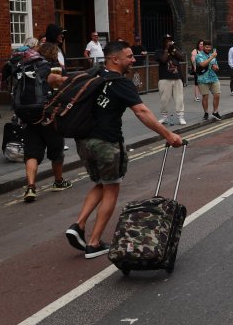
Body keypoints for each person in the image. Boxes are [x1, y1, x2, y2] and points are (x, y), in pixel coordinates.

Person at [63, 41, 183, 258]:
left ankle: (78, 226)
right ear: (114, 59)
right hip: (106, 143)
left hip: (83, 142)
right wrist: (169, 134)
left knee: (101, 183)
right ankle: (94, 242)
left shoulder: (96, 75)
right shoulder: (121, 83)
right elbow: (142, 112)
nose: (133, 59)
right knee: (112, 188)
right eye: (129, 56)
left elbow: (65, 82)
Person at [21, 42, 73, 202]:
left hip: (30, 116)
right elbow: (65, 89)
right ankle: (58, 181)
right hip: (50, 117)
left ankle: (30, 186)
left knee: (31, 153)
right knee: (56, 151)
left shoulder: (29, 68)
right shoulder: (55, 69)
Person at [156, 34, 187, 126]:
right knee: (164, 99)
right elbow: (163, 60)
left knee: (179, 99)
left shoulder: (174, 50)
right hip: (165, 78)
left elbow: (182, 57)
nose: (169, 42)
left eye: (170, 40)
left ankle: (181, 117)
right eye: (167, 41)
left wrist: (173, 49)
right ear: (163, 42)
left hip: (177, 78)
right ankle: (164, 117)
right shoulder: (159, 51)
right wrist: (166, 49)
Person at [195, 41, 222, 121]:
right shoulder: (199, 55)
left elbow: (216, 66)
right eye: (206, 47)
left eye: (209, 47)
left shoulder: (212, 55)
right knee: (205, 97)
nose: (208, 48)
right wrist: (212, 57)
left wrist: (216, 68)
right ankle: (206, 112)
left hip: (213, 78)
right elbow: (203, 64)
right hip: (203, 79)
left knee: (217, 95)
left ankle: (215, 112)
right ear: (203, 47)